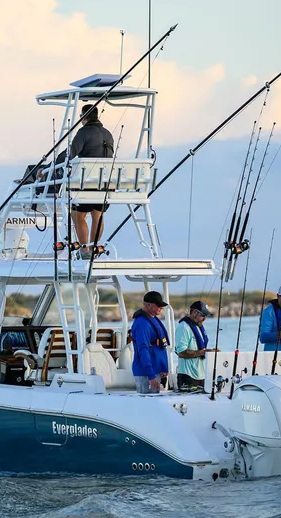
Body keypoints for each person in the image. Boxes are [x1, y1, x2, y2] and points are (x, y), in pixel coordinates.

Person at [49, 104, 115, 257]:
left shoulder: (84, 132)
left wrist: (51, 165)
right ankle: (93, 249)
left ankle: (85, 249)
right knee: (97, 215)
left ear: (84, 118)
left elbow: (69, 154)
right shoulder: (108, 134)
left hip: (88, 183)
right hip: (106, 184)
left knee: (77, 215)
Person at [131, 291, 170, 394]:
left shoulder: (153, 319)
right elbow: (143, 350)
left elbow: (159, 346)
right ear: (147, 305)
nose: (161, 307)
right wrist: (151, 375)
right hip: (146, 374)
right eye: (158, 305)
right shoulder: (142, 324)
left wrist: (163, 368)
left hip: (156, 371)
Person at [174, 300, 216, 389]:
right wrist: (202, 352)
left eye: (206, 316)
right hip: (188, 377)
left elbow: (200, 349)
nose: (204, 318)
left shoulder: (198, 326)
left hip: (201, 376)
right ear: (194, 312)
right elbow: (181, 352)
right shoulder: (183, 327)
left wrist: (210, 352)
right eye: (203, 315)